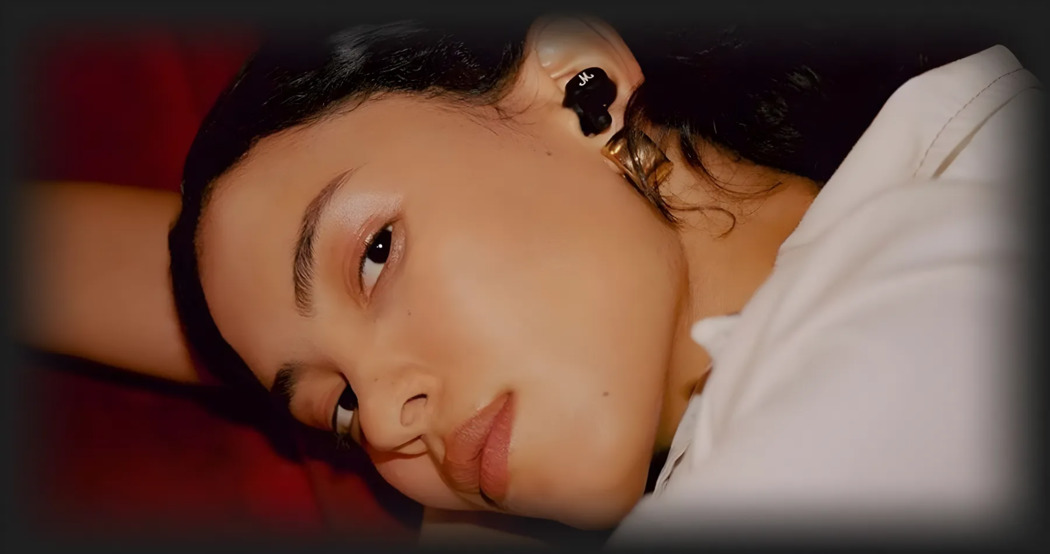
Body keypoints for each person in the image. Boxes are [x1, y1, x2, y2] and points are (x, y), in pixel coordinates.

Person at [21, 14, 1040, 545]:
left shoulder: (925, 296)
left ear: (576, 84)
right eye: (339, 409)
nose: (386, 418)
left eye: (375, 254)